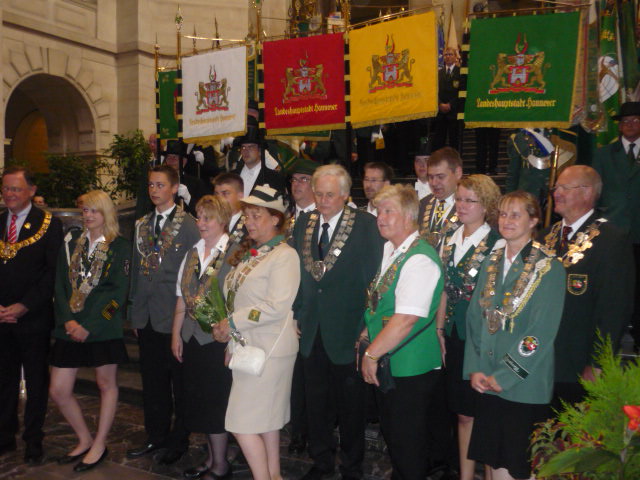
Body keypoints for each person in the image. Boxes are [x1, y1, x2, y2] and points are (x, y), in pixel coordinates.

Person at [464, 191, 565, 480]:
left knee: (516, 468)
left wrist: (505, 375)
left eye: (516, 215)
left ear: (533, 221)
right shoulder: (491, 260)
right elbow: (475, 317)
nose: (507, 221)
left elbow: (540, 334)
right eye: (503, 214)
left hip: (522, 384)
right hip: (487, 377)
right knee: (493, 463)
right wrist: (475, 368)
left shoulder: (548, 267)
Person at [292, 164, 384, 480]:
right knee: (316, 402)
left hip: (348, 329)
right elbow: (299, 273)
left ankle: (352, 466)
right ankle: (321, 461)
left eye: (330, 194)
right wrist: (297, 311)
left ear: (345, 195)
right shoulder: (304, 223)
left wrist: (367, 326)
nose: (322, 200)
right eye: (318, 193)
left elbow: (374, 279)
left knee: (351, 406)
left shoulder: (365, 225)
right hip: (312, 328)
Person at [212, 185, 300, 480]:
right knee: (266, 422)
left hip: (270, 350)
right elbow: (237, 298)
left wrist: (233, 323)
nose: (249, 222)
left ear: (275, 219)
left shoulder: (284, 255)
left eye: (256, 216)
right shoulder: (254, 254)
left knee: (241, 423)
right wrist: (230, 339)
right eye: (247, 216)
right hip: (250, 349)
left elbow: (276, 306)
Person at [360, 184, 443, 480]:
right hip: (392, 359)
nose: (380, 218)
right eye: (378, 211)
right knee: (396, 440)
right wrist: (367, 334)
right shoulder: (392, 250)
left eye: (388, 211)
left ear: (408, 215)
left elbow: (406, 319)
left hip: (410, 365)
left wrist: (371, 354)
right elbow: (382, 303)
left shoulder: (419, 258)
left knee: (408, 445)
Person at [49, 190, 130, 472]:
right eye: (85, 210)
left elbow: (117, 294)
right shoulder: (72, 242)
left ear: (106, 213)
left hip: (101, 327)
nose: (88, 215)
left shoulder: (119, 246)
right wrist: (68, 320)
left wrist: (90, 326)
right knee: (58, 390)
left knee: (106, 385)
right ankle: (84, 438)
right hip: (70, 325)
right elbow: (60, 284)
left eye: (94, 210)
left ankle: (100, 443)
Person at [541, 165, 634, 407]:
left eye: (564, 188)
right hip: (539, 361)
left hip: (578, 364)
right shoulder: (544, 237)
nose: (556, 193)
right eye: (556, 187)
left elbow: (614, 310)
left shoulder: (611, 240)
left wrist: (598, 362)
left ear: (587, 192)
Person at [127, 164, 200, 464]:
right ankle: (155, 435)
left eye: (160, 185)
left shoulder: (189, 224)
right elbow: (136, 269)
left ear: (174, 188)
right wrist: (134, 310)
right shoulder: (142, 224)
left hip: (173, 315)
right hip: (146, 315)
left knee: (179, 385)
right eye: (151, 185)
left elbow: (195, 272)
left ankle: (179, 440)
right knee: (153, 383)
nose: (154, 190)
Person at [436, 175, 501, 480]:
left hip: (481, 339)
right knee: (462, 413)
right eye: (459, 199)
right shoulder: (450, 237)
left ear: (486, 206)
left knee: (484, 414)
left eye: (469, 201)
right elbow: (444, 289)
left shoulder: (497, 243)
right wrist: (439, 329)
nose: (461, 206)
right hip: (453, 334)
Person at [0, 166, 63, 464]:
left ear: (32, 190)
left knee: (37, 381)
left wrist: (24, 305)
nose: (9, 194)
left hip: (34, 317)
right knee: (4, 379)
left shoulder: (49, 224)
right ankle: (4, 435)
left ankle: (33, 439)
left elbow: (52, 273)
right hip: (1, 318)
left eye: (15, 188)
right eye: (5, 188)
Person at [172, 195, 234, 480]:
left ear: (222, 220)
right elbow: (181, 296)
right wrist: (176, 334)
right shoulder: (193, 252)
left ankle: (220, 465)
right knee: (199, 401)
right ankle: (211, 458)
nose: (201, 223)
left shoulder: (234, 253)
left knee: (215, 404)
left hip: (217, 341)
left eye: (208, 218)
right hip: (192, 339)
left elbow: (239, 298)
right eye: (199, 217)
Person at [592, 101, 640, 349]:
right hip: (613, 231)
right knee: (614, 289)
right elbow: (595, 193)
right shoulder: (603, 154)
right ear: (619, 126)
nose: (630, 124)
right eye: (625, 121)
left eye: (636, 120)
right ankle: (611, 339)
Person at [418, 147, 463, 249]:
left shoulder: (469, 208)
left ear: (457, 173)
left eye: (440, 177)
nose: (434, 183)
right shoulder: (422, 205)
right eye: (430, 177)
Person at [232, 121, 286, 198]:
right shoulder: (232, 176)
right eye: (243, 147)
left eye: (251, 147)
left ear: (260, 151)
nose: (246, 151)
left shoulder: (273, 178)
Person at [163, 140, 212, 217]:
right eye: (168, 157)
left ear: (184, 161)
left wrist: (188, 198)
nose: (171, 160)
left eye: (175, 157)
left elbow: (205, 213)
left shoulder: (196, 184)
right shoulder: (161, 183)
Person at [433, 47, 462, 152]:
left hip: (454, 112)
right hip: (440, 113)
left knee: (454, 142)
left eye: (450, 54)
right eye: (446, 55)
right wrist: (440, 104)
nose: (448, 57)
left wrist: (451, 105)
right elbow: (434, 91)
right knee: (439, 142)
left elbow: (461, 92)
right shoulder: (438, 73)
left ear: (455, 57)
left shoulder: (460, 73)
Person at [213, 172, 248, 246]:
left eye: (225, 193)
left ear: (240, 196)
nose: (219, 199)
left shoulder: (248, 226)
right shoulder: (209, 223)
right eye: (216, 194)